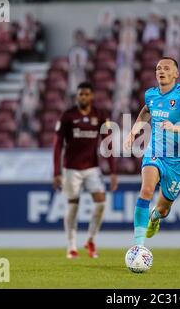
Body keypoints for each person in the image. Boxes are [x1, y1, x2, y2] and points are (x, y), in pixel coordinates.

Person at [124, 57, 180, 247]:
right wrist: (133, 132)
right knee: (145, 190)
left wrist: (176, 128)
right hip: (155, 152)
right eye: (158, 68)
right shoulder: (151, 95)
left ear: (176, 74)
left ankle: (155, 217)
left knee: (163, 208)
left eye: (166, 68)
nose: (161, 71)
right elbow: (146, 111)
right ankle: (138, 247)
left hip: (178, 159)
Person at [53, 82, 118, 259]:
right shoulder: (68, 116)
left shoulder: (100, 115)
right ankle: (71, 246)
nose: (83, 97)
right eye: (80, 94)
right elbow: (58, 144)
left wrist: (113, 171)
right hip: (71, 169)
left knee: (101, 203)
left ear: (91, 96)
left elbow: (108, 144)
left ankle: (90, 240)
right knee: (73, 205)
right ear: (77, 96)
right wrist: (56, 172)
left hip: (92, 168)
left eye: (86, 94)